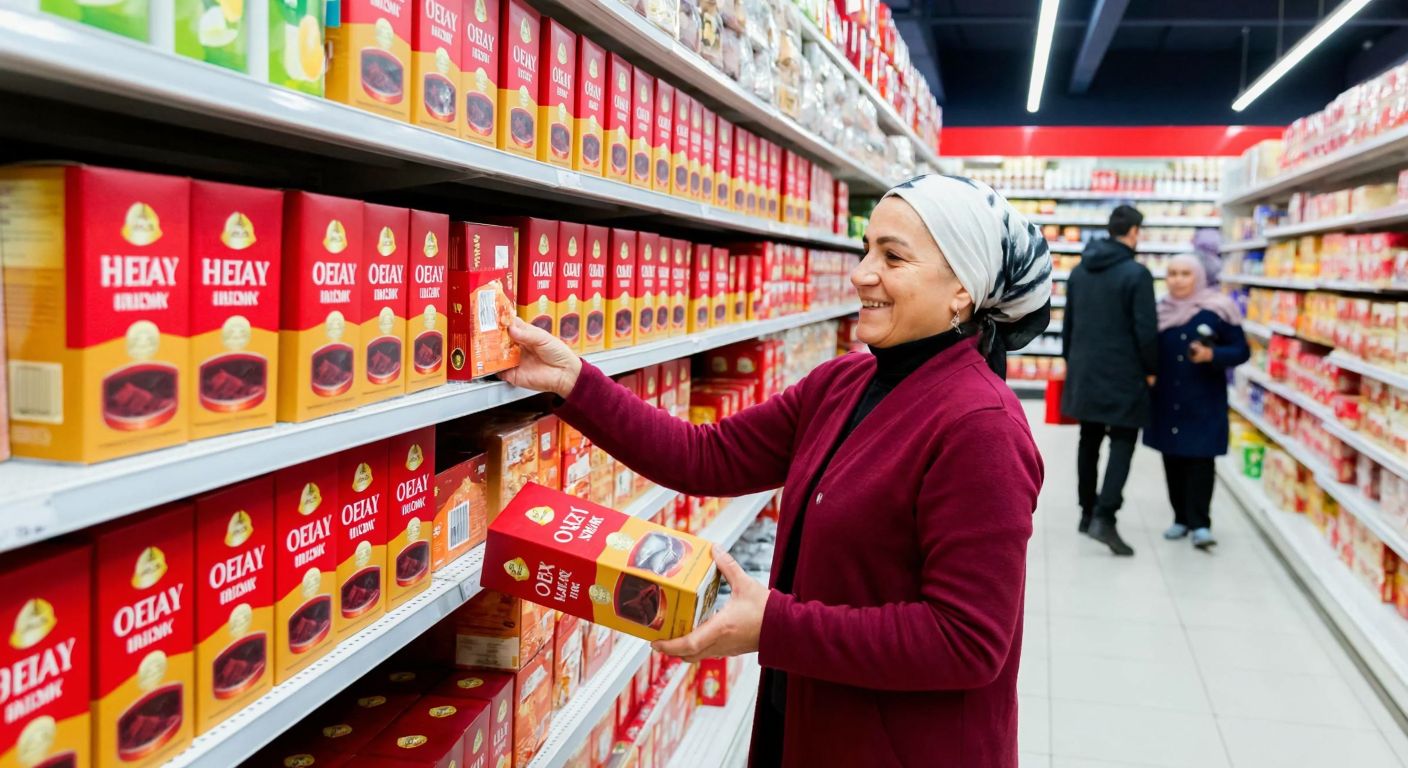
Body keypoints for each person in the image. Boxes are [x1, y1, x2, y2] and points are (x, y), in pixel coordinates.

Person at [501, 174, 1049, 767]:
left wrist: (775, 626)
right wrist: (573, 381)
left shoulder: (982, 428)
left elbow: (967, 641)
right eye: (867, 249)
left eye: (893, 257)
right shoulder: (843, 383)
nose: (862, 273)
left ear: (962, 290)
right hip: (814, 722)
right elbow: (704, 456)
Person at [1060, 204, 1157, 556]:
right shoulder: (1137, 274)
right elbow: (1145, 331)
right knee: (1123, 440)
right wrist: (1151, 369)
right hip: (1123, 372)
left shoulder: (1079, 271)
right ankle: (1105, 516)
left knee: (1089, 439)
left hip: (1086, 369)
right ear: (1133, 232)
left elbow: (1069, 324)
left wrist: (1072, 363)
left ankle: (1086, 513)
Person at [1145, 253, 1249, 549]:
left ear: (1199, 277)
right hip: (1167, 398)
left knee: (1201, 461)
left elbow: (1241, 351)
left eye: (1185, 274)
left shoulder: (1218, 310)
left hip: (1203, 398)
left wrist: (1212, 355)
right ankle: (1180, 518)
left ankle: (1201, 523)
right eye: (1172, 273)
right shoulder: (1160, 311)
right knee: (1172, 459)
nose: (1178, 280)